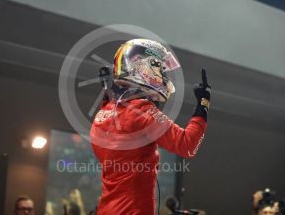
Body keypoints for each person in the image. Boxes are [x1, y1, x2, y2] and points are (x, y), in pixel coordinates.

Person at [90, 39, 211, 214]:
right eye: (159, 68)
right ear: (140, 67)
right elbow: (188, 145)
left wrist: (113, 88)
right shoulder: (141, 111)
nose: (163, 76)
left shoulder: (102, 114)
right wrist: (203, 103)